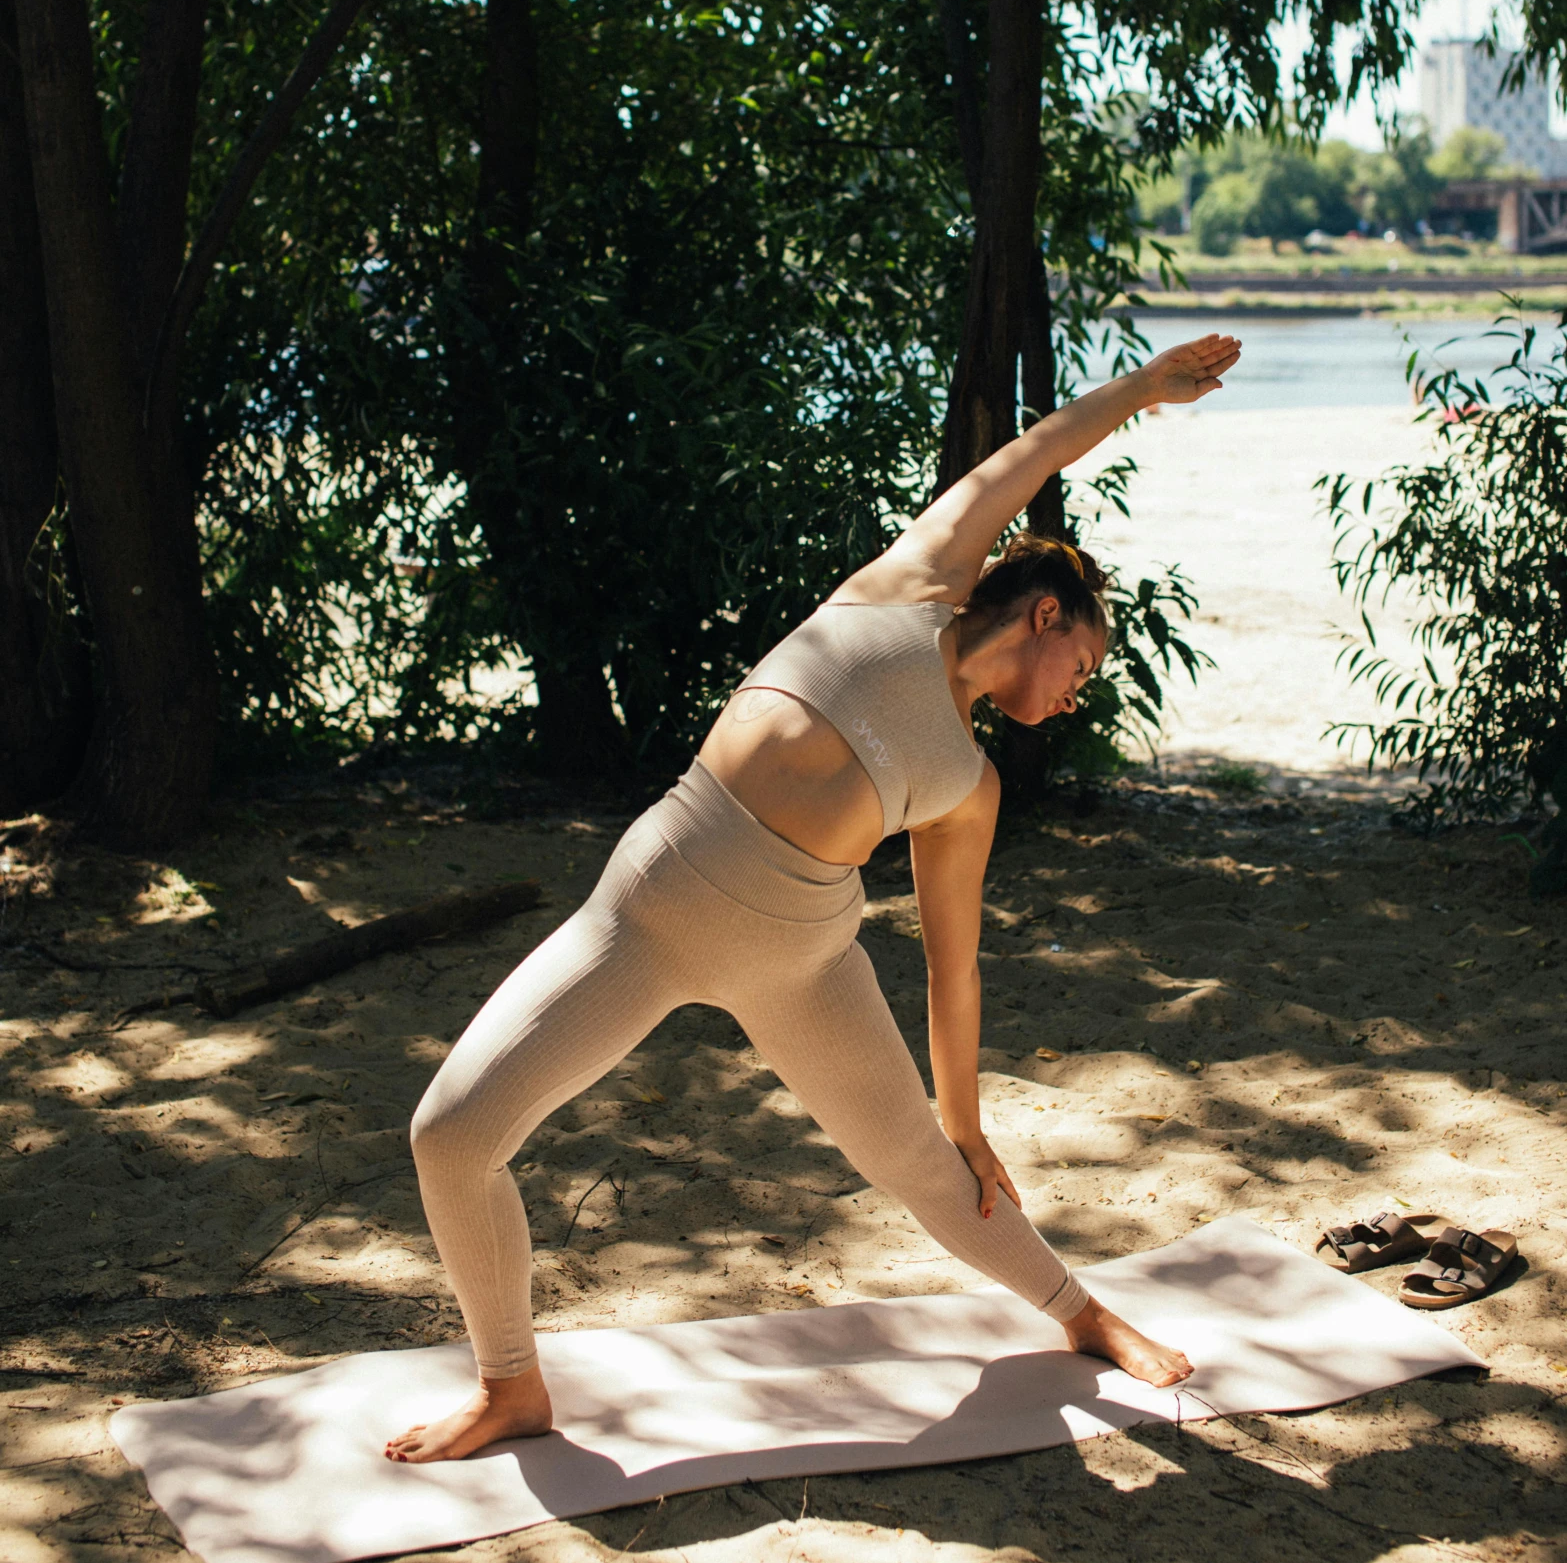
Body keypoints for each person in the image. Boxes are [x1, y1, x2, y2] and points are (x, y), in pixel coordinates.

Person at [385, 332, 1240, 1463]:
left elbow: (952, 961)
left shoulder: (971, 787)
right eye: (1081, 668)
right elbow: (1029, 458)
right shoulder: (907, 585)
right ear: (1045, 615)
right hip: (644, 913)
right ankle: (511, 1386)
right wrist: (1140, 390)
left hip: (803, 960)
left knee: (929, 1174)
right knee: (449, 1134)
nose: (1077, 696)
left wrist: (967, 1124)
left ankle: (1081, 1312)